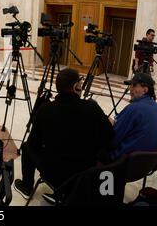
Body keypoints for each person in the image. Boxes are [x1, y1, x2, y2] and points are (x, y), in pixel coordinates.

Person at [14, 68, 114, 200]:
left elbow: (34, 143)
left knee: (27, 147)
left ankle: (27, 187)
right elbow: (109, 136)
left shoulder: (45, 110)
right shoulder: (92, 107)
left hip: (55, 174)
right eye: (80, 83)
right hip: (86, 172)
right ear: (75, 86)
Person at [110, 73, 157, 160]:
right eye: (130, 85)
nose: (130, 89)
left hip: (123, 162)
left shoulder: (134, 108)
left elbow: (112, 140)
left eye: (134, 85)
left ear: (145, 90)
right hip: (145, 164)